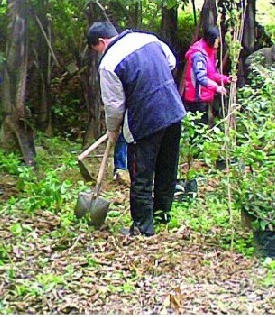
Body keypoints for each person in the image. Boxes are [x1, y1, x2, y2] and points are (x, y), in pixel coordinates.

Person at [87, 21, 186, 236]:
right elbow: (171, 62)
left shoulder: (108, 64)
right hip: (172, 110)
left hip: (144, 120)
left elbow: (114, 105)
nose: (100, 53)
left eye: (98, 49)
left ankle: (142, 228)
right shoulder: (148, 38)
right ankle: (162, 214)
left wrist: (112, 130)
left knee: (141, 174)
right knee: (167, 167)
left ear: (102, 42)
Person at [182, 26, 230, 125]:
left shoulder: (209, 52)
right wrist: (216, 87)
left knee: (204, 125)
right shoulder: (199, 55)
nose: (218, 44)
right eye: (217, 41)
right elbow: (201, 78)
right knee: (198, 127)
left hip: (204, 97)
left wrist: (226, 79)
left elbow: (212, 74)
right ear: (211, 39)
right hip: (197, 99)